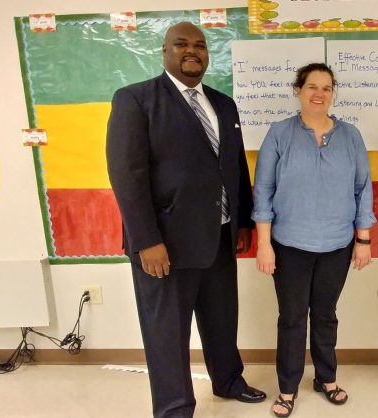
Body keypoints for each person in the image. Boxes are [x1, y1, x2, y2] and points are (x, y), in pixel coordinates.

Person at [106, 22, 266, 418]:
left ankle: (228, 381)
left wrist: (243, 221)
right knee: (167, 334)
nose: (191, 50)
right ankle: (175, 407)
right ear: (164, 50)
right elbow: (127, 175)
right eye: (181, 44)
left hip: (220, 237)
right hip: (165, 246)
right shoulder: (136, 100)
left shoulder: (223, 104)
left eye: (199, 45)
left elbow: (233, 168)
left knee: (221, 320)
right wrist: (146, 240)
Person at [252, 62, 376, 418]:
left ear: (333, 93)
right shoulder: (279, 133)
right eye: (311, 87)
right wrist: (264, 244)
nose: (319, 94)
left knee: (325, 314)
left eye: (326, 87)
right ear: (298, 91)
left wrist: (363, 239)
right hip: (289, 245)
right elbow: (263, 191)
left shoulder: (351, 136)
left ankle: (326, 378)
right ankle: (288, 388)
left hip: (337, 245)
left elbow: (362, 188)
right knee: (292, 317)